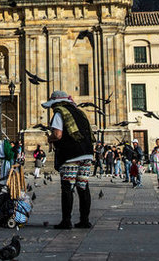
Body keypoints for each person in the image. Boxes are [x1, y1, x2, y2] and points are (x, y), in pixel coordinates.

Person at [43, 90, 94, 230]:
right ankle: (85, 220)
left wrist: (49, 138)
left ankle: (66, 221)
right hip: (87, 154)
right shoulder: (80, 112)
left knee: (67, 187)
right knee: (83, 186)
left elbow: (58, 134)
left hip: (71, 155)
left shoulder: (60, 113)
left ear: (56, 103)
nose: (52, 108)